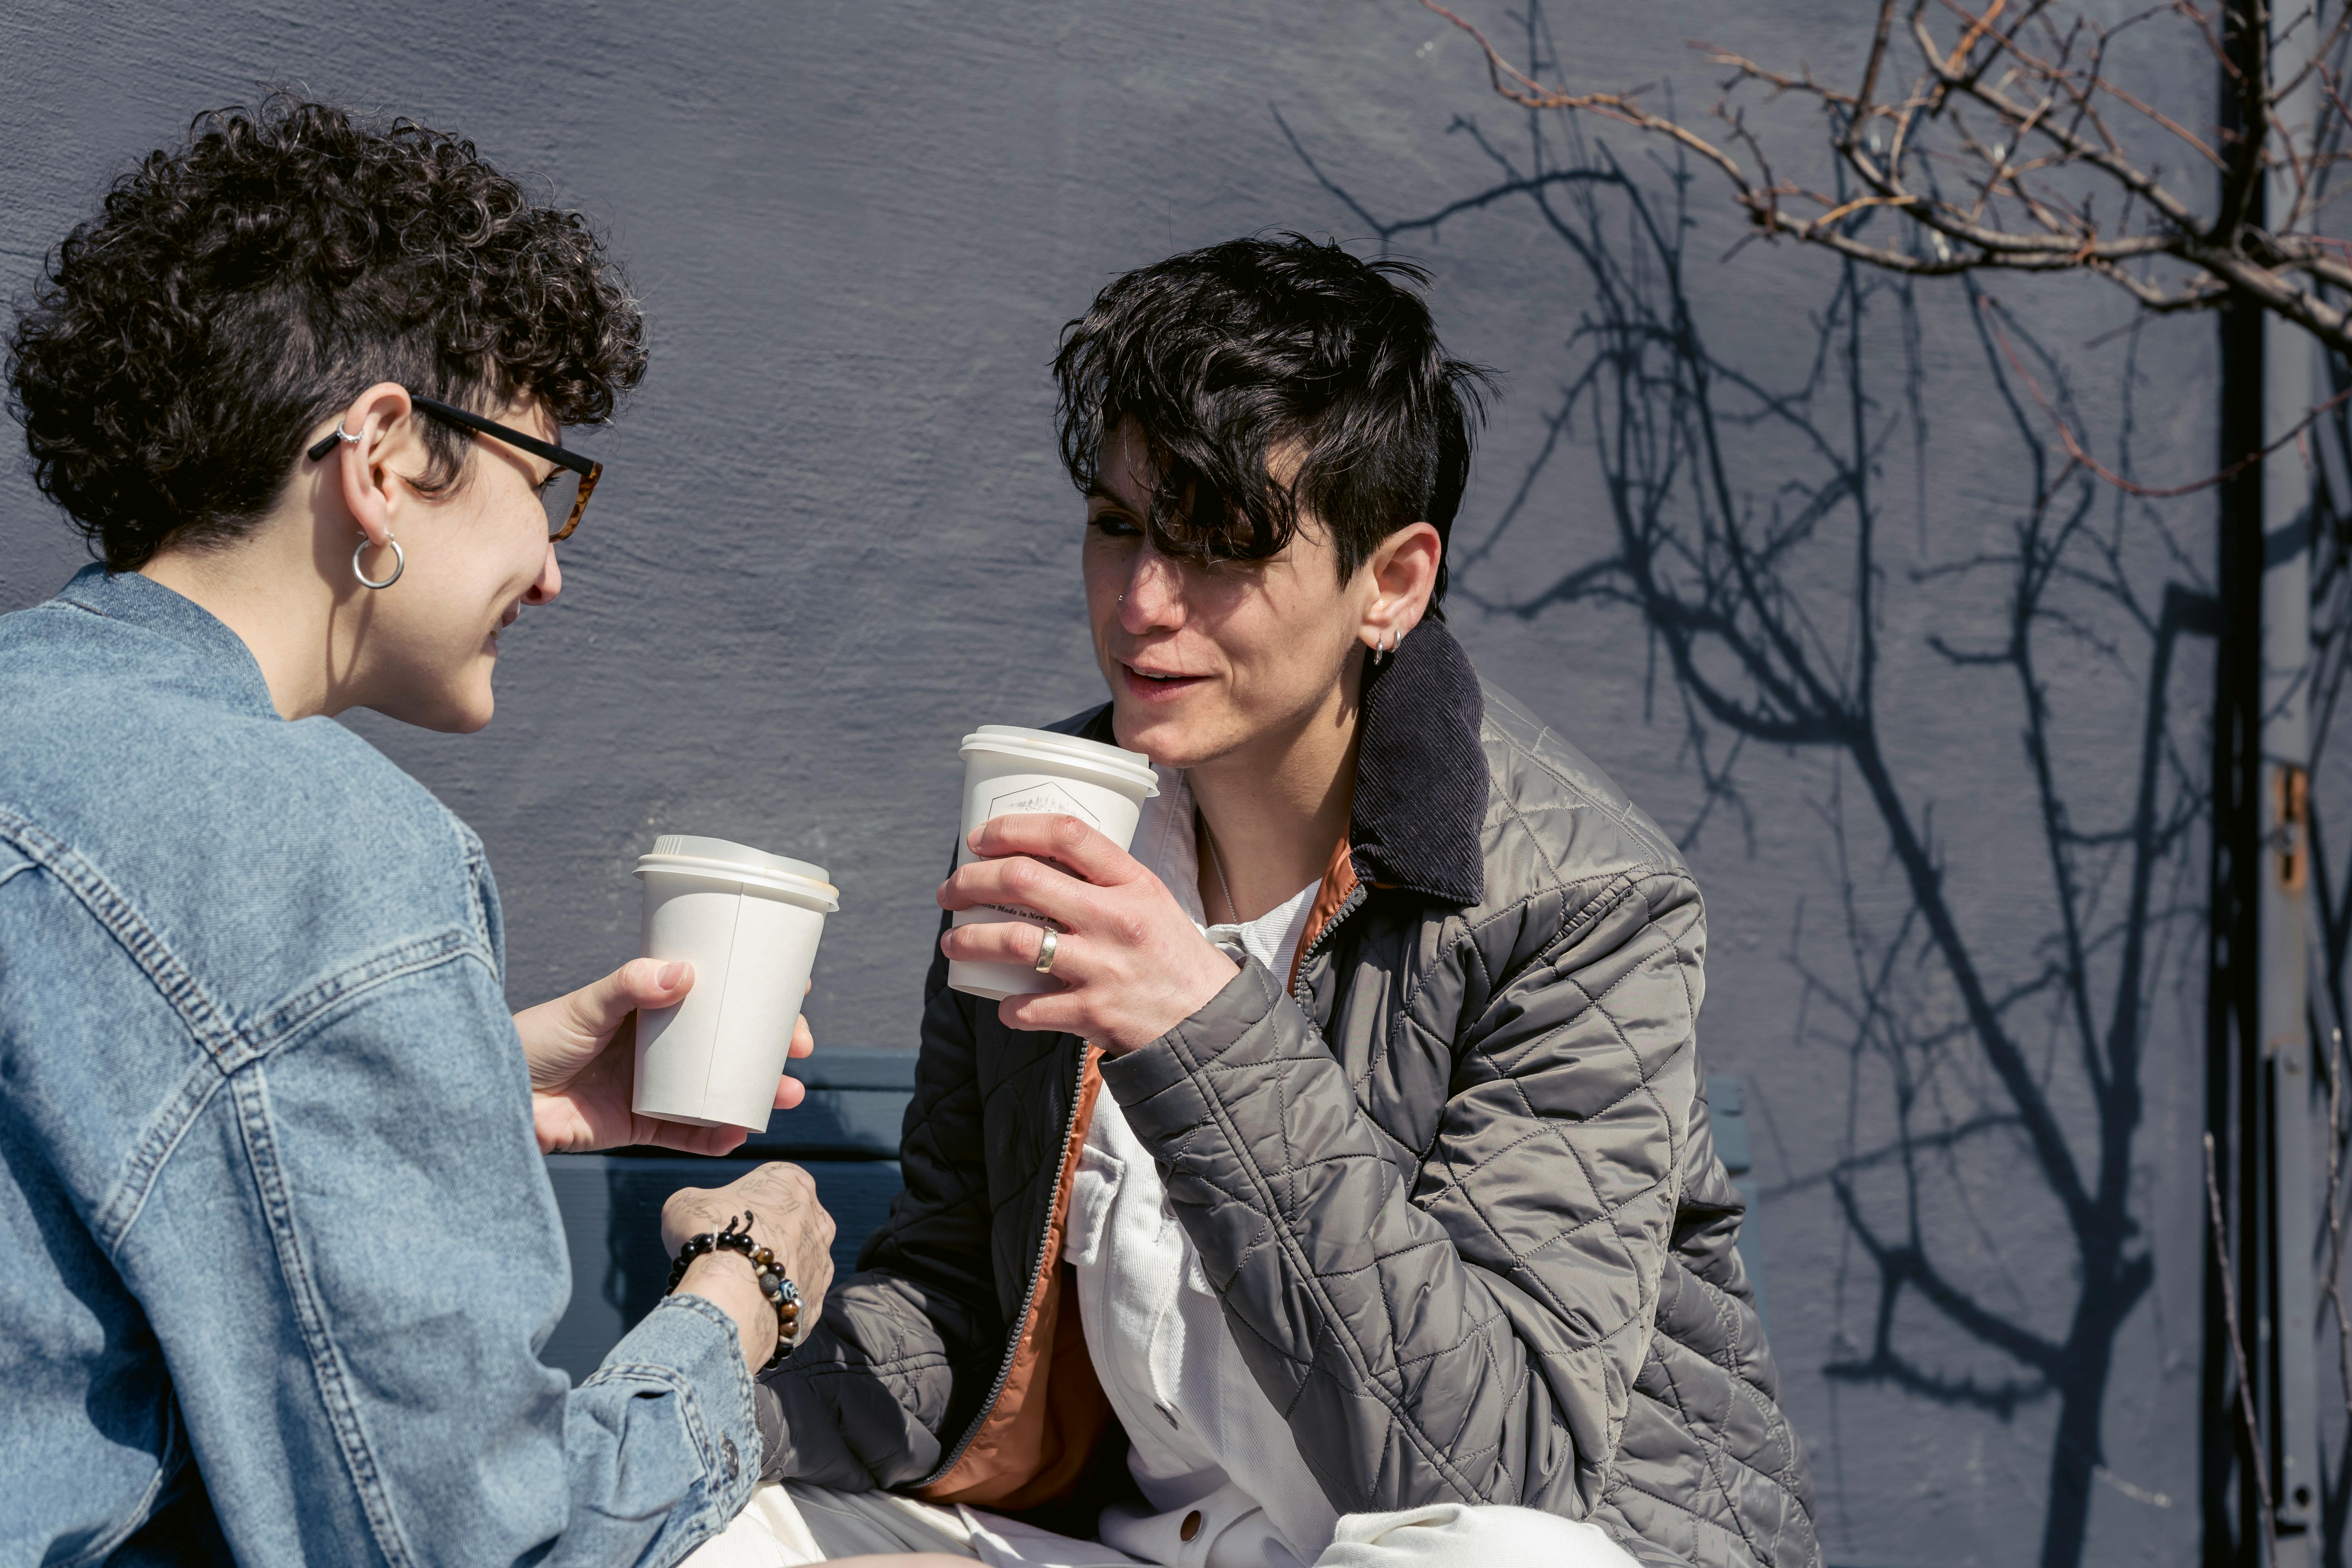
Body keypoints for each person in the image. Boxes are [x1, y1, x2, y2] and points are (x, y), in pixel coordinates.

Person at [706, 238, 1819, 1568]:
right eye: (1118, 524)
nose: (1141, 602)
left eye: (1220, 544)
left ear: (1392, 584)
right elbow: (960, 1307)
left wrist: (1194, 1023)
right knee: (712, 1524)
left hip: (1470, 1550)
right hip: (1141, 1546)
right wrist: (721, 1343)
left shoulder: (1585, 909)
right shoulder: (1053, 832)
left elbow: (1494, 1471)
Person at [0, 99, 836, 1563]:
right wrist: (738, 1302)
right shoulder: (320, 849)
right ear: (383, 457)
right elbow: (469, 1542)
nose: (553, 575)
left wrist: (464, 1071)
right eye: (546, 480)